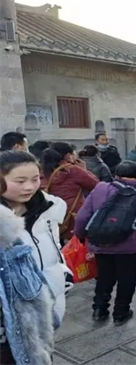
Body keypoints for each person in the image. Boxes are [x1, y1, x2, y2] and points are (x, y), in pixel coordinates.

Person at [74, 161, 136, 326]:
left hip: (101, 241)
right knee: (127, 278)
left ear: (115, 175)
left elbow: (82, 217)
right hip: (129, 245)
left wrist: (81, 236)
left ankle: (99, 309)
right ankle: (121, 313)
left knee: (104, 276)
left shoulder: (101, 188)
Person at [0, 150, 70, 364]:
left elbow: (55, 247)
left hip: (48, 306)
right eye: (20, 181)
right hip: (11, 322)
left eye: (35, 179)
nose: (29, 187)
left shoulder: (48, 208)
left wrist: (63, 273)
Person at [41, 142, 99, 242]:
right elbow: (96, 185)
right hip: (71, 216)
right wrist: (84, 169)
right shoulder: (73, 170)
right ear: (68, 155)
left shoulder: (43, 170)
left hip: (50, 215)